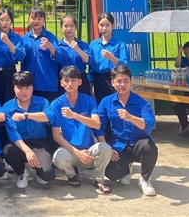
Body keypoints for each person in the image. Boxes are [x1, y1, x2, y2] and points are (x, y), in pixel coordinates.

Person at [97, 65, 158, 197]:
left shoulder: (141, 102)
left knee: (149, 147)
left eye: (126, 81)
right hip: (118, 145)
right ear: (113, 83)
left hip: (138, 143)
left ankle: (145, 179)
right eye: (119, 81)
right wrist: (106, 146)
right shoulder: (106, 102)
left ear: (131, 82)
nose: (122, 85)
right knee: (111, 174)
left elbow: (149, 124)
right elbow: (98, 126)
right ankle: (126, 169)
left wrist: (131, 117)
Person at [52, 66, 113, 194]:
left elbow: (96, 124)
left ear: (80, 82)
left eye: (73, 80)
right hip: (70, 151)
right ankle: (71, 174)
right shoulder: (56, 104)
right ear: (61, 83)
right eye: (66, 80)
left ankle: (98, 179)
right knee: (58, 157)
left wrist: (74, 115)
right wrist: (77, 152)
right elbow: (56, 136)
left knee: (106, 148)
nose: (70, 84)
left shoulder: (89, 100)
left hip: (89, 151)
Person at [0, 71, 56, 188]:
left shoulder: (42, 102)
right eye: (20, 88)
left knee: (47, 176)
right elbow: (13, 134)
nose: (23, 91)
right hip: (19, 143)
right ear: (14, 88)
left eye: (27, 87)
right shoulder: (7, 107)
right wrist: (27, 151)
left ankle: (39, 170)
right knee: (8, 151)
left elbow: (49, 116)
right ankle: (22, 172)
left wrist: (26, 115)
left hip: (40, 142)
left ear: (32, 88)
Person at [21, 6, 65, 102]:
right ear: (28, 19)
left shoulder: (50, 37)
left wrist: (50, 46)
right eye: (33, 18)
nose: (36, 21)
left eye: (39, 18)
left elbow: (59, 58)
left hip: (47, 84)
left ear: (44, 20)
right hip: (30, 85)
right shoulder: (24, 38)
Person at [0, 8, 25, 105]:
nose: (5, 23)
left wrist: (8, 42)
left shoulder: (16, 38)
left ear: (11, 21)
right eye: (2, 20)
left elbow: (21, 56)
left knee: (10, 103)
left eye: (7, 20)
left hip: (10, 73)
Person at [89, 13, 129, 104]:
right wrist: (90, 81)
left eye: (107, 25)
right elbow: (91, 66)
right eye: (101, 25)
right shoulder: (93, 45)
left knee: (114, 104)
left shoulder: (119, 44)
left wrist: (112, 58)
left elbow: (124, 64)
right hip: (98, 79)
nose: (104, 28)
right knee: (100, 104)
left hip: (113, 77)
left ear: (112, 26)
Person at [58, 15, 93, 96]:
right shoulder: (58, 46)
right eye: (66, 26)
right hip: (65, 81)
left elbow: (88, 60)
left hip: (80, 79)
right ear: (61, 28)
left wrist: (77, 49)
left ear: (75, 27)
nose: (69, 29)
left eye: (71, 26)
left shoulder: (82, 45)